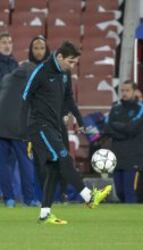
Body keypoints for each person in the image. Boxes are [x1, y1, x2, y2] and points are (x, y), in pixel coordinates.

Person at [22, 41, 112, 224]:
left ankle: (45, 214)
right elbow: (25, 98)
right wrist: (25, 134)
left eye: (74, 63)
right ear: (60, 57)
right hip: (39, 126)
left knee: (54, 169)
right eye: (70, 62)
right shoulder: (41, 71)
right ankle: (89, 197)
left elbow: (68, 99)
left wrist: (79, 120)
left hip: (54, 126)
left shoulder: (65, 74)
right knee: (64, 159)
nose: (72, 66)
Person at [106, 80, 143, 203]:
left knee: (130, 191)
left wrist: (117, 126)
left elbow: (132, 128)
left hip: (133, 156)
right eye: (122, 90)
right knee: (119, 192)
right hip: (117, 155)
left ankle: (134, 220)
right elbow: (107, 128)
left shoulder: (141, 108)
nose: (124, 93)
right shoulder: (115, 108)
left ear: (134, 91)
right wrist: (124, 128)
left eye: (127, 90)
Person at [0, 31, 20, 207]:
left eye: (9, 41)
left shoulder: (15, 65)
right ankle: (8, 196)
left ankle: (9, 196)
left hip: (13, 121)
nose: (7, 45)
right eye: (4, 42)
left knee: (10, 160)